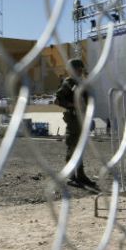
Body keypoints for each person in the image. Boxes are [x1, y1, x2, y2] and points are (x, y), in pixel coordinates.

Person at [55, 58, 98, 190]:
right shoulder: (69, 82)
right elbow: (58, 100)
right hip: (74, 119)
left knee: (80, 148)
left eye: (81, 69)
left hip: (82, 118)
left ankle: (80, 174)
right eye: (78, 69)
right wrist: (73, 105)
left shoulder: (82, 83)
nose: (80, 71)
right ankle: (71, 175)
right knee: (73, 146)